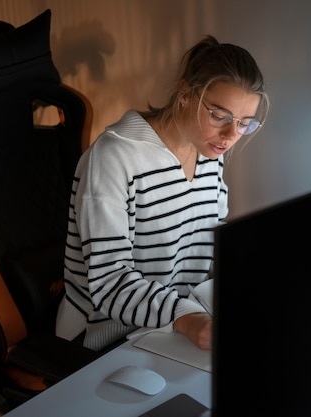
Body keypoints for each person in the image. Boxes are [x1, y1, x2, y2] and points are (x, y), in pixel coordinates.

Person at [55, 35, 269, 352]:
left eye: (243, 124)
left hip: (178, 324)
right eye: (219, 116)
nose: (229, 136)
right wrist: (187, 318)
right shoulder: (115, 157)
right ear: (185, 93)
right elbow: (109, 282)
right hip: (111, 336)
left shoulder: (209, 151)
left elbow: (209, 235)